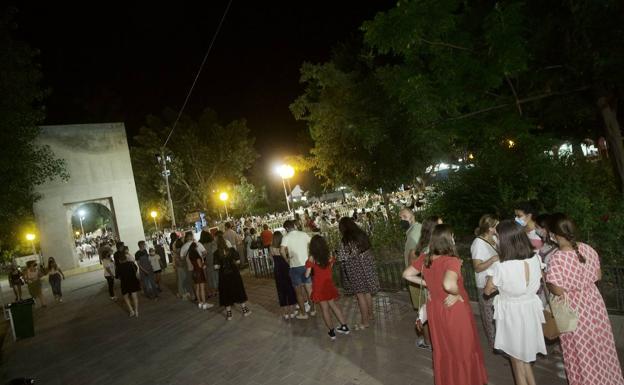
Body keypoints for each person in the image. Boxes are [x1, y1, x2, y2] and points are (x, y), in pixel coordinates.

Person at [403, 224, 488, 385]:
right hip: (454, 311)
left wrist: (428, 283)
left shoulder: (425, 258)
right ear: (448, 240)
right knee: (463, 349)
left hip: (435, 310)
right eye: (453, 236)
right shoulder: (451, 260)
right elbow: (449, 284)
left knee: (444, 349)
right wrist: (456, 293)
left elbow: (406, 274)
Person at [545, 214, 624, 385]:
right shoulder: (588, 249)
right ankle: (609, 380)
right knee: (602, 345)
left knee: (580, 351)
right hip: (594, 305)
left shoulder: (557, 258)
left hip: (574, 309)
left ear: (554, 234)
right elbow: (598, 275)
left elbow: (558, 290)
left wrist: (548, 282)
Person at [484, 220, 546, 385]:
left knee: (516, 360)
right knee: (525, 358)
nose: (495, 238)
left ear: (505, 240)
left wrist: (494, 281)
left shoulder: (501, 267)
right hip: (530, 310)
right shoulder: (535, 259)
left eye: (497, 235)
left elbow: (487, 290)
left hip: (512, 314)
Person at [337, 217, 380, 330]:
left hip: (355, 270)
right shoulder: (362, 235)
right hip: (367, 267)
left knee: (360, 295)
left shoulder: (345, 240)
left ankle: (364, 322)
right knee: (367, 293)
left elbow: (342, 257)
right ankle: (370, 315)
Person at [305, 235, 350, 340]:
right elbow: (329, 269)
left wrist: (309, 268)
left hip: (319, 287)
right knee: (334, 305)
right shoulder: (329, 255)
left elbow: (307, 275)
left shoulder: (312, 258)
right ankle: (344, 326)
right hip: (328, 284)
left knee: (324, 309)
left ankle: (331, 332)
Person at [470, 214, 500, 349]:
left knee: (498, 314)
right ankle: (494, 344)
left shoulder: (494, 238)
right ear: (489, 228)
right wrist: (492, 260)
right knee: (489, 316)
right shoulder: (477, 244)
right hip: (484, 284)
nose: (498, 228)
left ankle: (502, 342)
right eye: (496, 226)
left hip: (497, 282)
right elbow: (477, 267)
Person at [280, 220, 315, 319]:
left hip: (294, 267)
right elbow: (312, 243)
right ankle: (313, 310)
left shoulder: (286, 237)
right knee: (309, 290)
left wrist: (287, 260)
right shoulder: (303, 234)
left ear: (286, 228)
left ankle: (304, 313)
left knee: (298, 292)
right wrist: (310, 256)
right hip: (306, 265)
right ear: (294, 226)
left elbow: (281, 250)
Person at [214, 234, 251, 320]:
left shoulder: (216, 253)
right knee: (238, 289)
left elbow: (216, 266)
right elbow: (238, 261)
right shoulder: (231, 250)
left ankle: (229, 314)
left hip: (223, 274)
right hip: (234, 273)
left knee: (225, 292)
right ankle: (245, 310)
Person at [270, 231, 297, 319]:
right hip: (286, 269)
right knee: (290, 288)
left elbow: (271, 259)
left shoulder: (271, 248)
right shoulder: (284, 248)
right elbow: (288, 258)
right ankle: (292, 311)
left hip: (277, 270)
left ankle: (285, 313)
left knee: (281, 290)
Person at [188, 242, 214, 310]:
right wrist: (204, 265)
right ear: (195, 247)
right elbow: (200, 265)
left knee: (197, 288)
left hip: (194, 272)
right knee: (202, 288)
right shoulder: (196, 255)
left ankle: (200, 303)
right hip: (199, 272)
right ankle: (205, 303)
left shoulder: (190, 255)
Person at [116, 251, 140, 317]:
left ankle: (131, 311)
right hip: (133, 281)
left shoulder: (118, 267)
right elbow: (136, 269)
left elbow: (117, 276)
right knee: (134, 297)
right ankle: (136, 311)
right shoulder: (131, 264)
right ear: (126, 258)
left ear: (119, 260)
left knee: (126, 297)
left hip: (124, 283)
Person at [199, 229, 217, 297]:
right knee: (213, 276)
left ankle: (209, 292)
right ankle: (214, 291)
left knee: (206, 277)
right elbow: (214, 251)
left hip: (204, 262)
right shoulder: (212, 242)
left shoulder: (200, 244)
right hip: (212, 261)